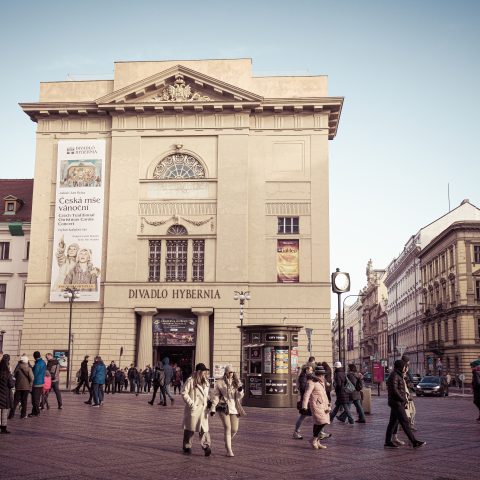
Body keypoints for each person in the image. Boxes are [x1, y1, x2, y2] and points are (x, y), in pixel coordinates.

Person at [384, 360, 425, 449]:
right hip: (397, 402)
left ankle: (387, 442)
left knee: (392, 423)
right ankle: (414, 442)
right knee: (404, 422)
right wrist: (403, 400)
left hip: (396, 402)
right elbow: (395, 390)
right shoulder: (394, 375)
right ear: (400, 367)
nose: (406, 368)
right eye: (404, 367)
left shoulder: (398, 375)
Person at [210, 365, 245, 457]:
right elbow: (216, 396)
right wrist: (213, 408)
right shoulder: (220, 383)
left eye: (232, 372)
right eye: (230, 372)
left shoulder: (236, 382)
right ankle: (229, 450)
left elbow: (239, 397)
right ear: (226, 372)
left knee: (234, 429)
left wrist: (240, 391)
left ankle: (227, 441)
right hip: (223, 407)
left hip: (234, 407)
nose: (231, 374)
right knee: (228, 428)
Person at [181, 363, 212, 456]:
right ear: (199, 372)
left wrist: (209, 401)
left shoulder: (206, 382)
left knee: (204, 429)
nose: (205, 373)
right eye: (203, 371)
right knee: (190, 428)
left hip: (203, 409)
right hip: (194, 409)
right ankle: (187, 446)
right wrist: (191, 404)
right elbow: (184, 393)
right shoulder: (191, 381)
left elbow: (206, 394)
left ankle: (206, 446)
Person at [302, 364, 331, 449]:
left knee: (320, 423)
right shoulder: (311, 382)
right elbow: (306, 394)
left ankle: (317, 441)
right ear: (318, 375)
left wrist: (328, 404)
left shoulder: (321, 382)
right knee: (321, 422)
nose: (322, 376)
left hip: (324, 405)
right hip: (316, 405)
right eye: (321, 375)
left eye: (323, 375)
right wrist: (304, 406)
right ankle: (314, 440)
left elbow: (324, 394)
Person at [292, 363, 314, 439]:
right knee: (304, 416)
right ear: (307, 370)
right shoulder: (303, 377)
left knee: (313, 416)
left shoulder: (305, 376)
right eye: (311, 370)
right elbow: (303, 389)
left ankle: (296, 432)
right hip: (305, 400)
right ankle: (296, 432)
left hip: (307, 400)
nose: (312, 371)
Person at [9, 355, 33, 419]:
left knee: (15, 401)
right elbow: (32, 378)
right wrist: (30, 384)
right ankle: (23, 415)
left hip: (18, 386)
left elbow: (14, 376)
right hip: (26, 387)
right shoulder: (29, 368)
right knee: (24, 401)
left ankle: (11, 415)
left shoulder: (18, 368)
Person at [0, 355, 15, 434]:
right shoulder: (8, 374)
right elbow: (11, 385)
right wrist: (13, 379)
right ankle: (3, 428)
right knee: (4, 412)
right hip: (5, 396)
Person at [29, 351, 46, 417]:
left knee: (35, 399)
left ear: (34, 356)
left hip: (36, 383)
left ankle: (36, 412)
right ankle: (34, 412)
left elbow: (34, 375)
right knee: (37, 398)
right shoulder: (43, 362)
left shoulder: (38, 364)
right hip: (41, 382)